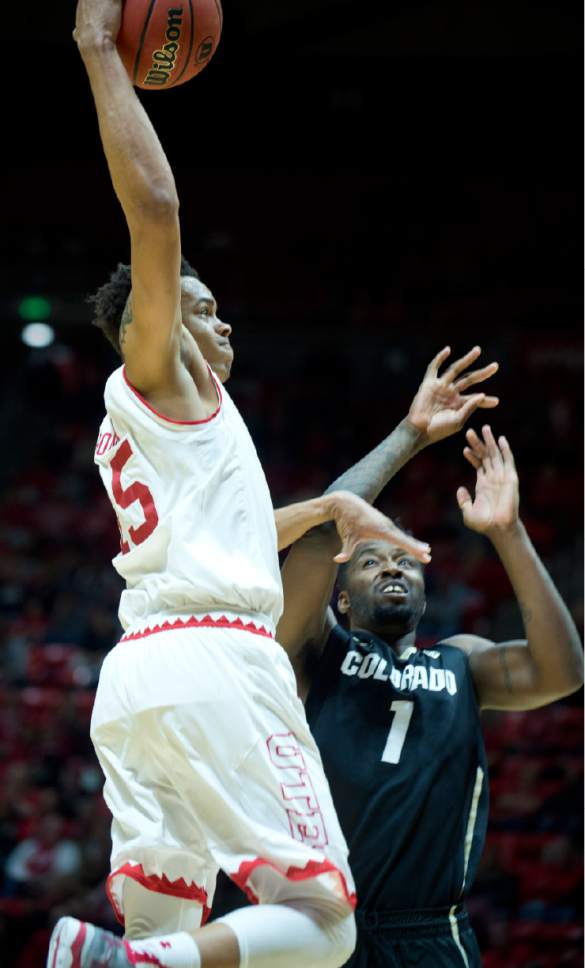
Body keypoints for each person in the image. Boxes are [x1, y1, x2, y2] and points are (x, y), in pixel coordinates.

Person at [47, 3, 435, 967]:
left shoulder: (167, 422)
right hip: (215, 663)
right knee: (321, 922)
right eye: (202, 309)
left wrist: (327, 506)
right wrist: (101, 49)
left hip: (144, 670)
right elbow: (158, 212)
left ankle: (134, 955)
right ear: (156, 320)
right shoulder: (156, 369)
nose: (223, 327)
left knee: (169, 915)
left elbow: (226, 532)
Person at [277, 353, 584, 967]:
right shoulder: (314, 648)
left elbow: (563, 671)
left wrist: (507, 533)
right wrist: (410, 436)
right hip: (317, 925)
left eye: (405, 561)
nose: (392, 564)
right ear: (339, 595)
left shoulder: (461, 663)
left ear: (425, 589)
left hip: (431, 933)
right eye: (370, 560)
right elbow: (320, 531)